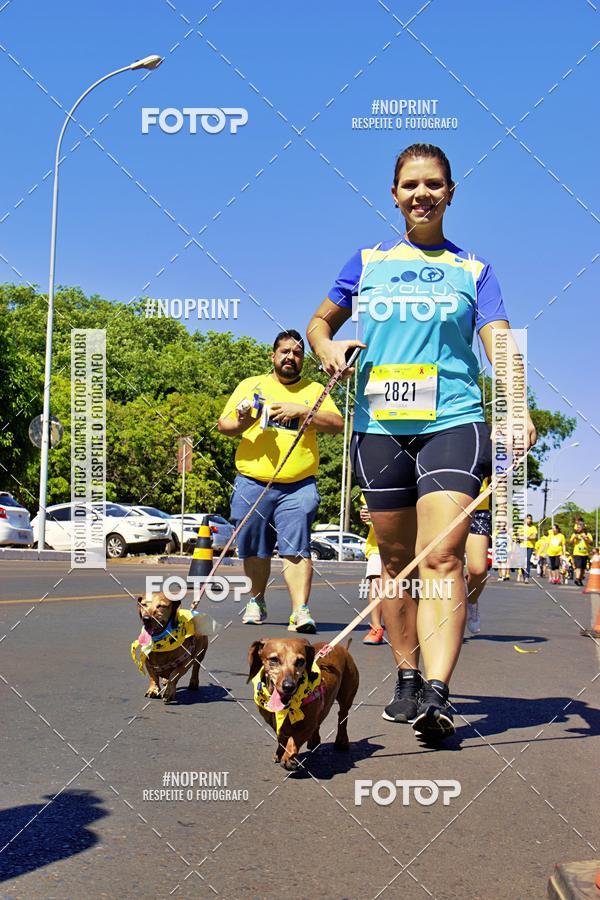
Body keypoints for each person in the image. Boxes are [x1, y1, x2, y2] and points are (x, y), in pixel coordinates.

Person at [307, 143, 537, 739]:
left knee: (440, 557)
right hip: (378, 426)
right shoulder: (366, 261)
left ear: (450, 192)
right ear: (394, 194)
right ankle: (406, 676)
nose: (421, 194)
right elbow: (318, 324)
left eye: (433, 184)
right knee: (393, 563)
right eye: (410, 184)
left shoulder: (473, 270)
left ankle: (438, 692)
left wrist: (516, 406)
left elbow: (501, 343)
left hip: (453, 421)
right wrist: (329, 349)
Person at [217, 329, 344, 633]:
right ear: (272, 356)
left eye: (297, 353)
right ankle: (256, 600)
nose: (291, 357)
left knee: (296, 546)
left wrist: (304, 411)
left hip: (298, 484)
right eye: (285, 351)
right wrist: (245, 418)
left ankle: (300, 610)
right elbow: (225, 425)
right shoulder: (251, 385)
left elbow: (337, 424)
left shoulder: (315, 390)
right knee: (252, 545)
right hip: (253, 481)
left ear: (303, 359)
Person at [465, 477, 492, 634]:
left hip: (479, 508)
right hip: (447, 503)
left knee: (478, 570)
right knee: (448, 566)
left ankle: (472, 601)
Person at [360, 496, 386, 645]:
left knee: (406, 587)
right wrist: (367, 515)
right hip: (377, 544)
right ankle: (376, 627)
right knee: (376, 581)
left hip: (406, 543)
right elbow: (367, 511)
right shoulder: (372, 480)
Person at [568, 521, 593, 586]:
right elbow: (570, 543)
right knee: (578, 567)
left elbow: (590, 542)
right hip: (577, 553)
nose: (577, 528)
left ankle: (579, 579)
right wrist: (574, 538)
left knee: (583, 568)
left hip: (585, 553)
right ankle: (577, 579)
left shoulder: (587, 534)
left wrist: (586, 538)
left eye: (579, 527)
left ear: (583, 527)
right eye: (577, 527)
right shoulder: (574, 534)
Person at [523, 514, 537, 583]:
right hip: (522, 546)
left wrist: (527, 537)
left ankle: (526, 576)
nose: (529, 520)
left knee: (527, 561)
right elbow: (518, 536)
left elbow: (534, 536)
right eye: (528, 518)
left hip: (530, 546)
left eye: (530, 519)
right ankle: (523, 574)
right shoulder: (521, 527)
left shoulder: (533, 527)